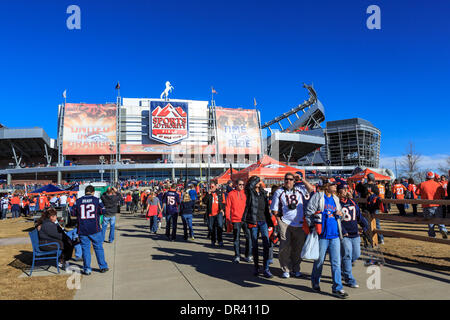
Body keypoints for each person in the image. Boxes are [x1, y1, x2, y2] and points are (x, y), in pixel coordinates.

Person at [305, 179, 348, 299]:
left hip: (334, 235)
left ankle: (337, 288)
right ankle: (315, 281)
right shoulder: (318, 196)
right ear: (327, 186)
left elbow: (341, 215)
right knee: (319, 261)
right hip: (322, 235)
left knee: (336, 263)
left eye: (335, 185)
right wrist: (313, 226)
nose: (335, 186)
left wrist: (341, 214)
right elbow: (308, 212)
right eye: (333, 184)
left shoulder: (335, 198)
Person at [270, 172, 315, 279]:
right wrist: (279, 221)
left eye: (291, 179)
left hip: (299, 223)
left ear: (294, 181)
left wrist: (302, 179)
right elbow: (274, 209)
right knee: (284, 248)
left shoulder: (300, 189)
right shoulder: (279, 192)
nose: (288, 181)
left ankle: (296, 269)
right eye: (286, 179)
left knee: (298, 248)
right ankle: (285, 269)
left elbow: (311, 190)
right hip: (285, 222)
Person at [72, 185, 109, 275]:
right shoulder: (97, 200)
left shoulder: (78, 201)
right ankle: (103, 266)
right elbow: (103, 211)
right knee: (98, 248)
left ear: (85, 192)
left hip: (82, 228)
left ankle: (87, 269)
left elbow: (73, 213)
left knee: (85, 249)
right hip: (94, 228)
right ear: (93, 192)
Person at [242, 176, 274, 278]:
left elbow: (266, 207)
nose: (258, 182)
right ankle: (256, 267)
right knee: (254, 245)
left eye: (259, 181)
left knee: (266, 244)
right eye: (256, 181)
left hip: (264, 220)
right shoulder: (250, 192)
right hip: (254, 220)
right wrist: (255, 179)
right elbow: (248, 187)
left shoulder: (263, 193)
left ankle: (266, 268)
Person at [337, 184, 368, 288]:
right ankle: (349, 278)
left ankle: (343, 269)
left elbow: (358, 215)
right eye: (344, 190)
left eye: (347, 190)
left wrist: (364, 225)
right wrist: (343, 230)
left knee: (356, 254)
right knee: (347, 255)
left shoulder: (353, 202)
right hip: (345, 234)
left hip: (355, 233)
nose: (346, 192)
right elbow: (336, 220)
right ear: (338, 193)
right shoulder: (337, 204)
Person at [225, 179, 251, 263]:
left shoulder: (246, 193)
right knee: (236, 238)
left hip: (245, 219)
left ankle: (248, 255)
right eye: (240, 184)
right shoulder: (231, 194)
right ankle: (237, 255)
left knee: (249, 237)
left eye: (243, 184)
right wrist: (228, 218)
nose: (242, 186)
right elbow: (228, 207)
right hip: (235, 219)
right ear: (236, 185)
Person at [416, 172, 447, 239]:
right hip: (437, 205)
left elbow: (417, 193)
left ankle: (432, 235)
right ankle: (443, 230)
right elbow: (443, 194)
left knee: (430, 221)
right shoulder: (438, 184)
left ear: (426, 177)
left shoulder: (422, 184)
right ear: (433, 177)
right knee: (439, 219)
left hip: (426, 205)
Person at [203, 182, 226, 246]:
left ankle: (220, 240)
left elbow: (224, 202)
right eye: (210, 187)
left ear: (216, 186)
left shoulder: (220, 193)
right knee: (211, 228)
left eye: (212, 187)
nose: (211, 188)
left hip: (218, 213)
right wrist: (208, 193)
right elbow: (204, 201)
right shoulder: (208, 194)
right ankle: (213, 240)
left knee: (220, 226)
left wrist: (222, 209)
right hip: (211, 213)